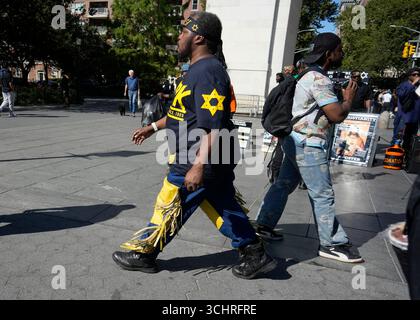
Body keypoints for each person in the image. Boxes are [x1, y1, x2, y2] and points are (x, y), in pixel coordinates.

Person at [112, 12, 277, 279]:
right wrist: (151, 127)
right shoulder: (195, 71)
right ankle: (254, 253)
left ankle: (144, 253)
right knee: (223, 205)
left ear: (199, 37)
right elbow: (180, 114)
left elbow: (212, 124)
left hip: (198, 155)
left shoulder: (209, 71)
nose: (179, 37)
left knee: (170, 201)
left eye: (183, 31)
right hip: (207, 156)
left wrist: (198, 166)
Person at [253, 33, 364, 263]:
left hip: (294, 140)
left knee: (283, 184)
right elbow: (337, 114)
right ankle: (331, 243)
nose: (341, 53)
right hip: (309, 143)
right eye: (339, 49)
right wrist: (349, 98)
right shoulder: (319, 79)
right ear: (328, 54)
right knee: (322, 193)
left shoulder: (304, 74)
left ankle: (263, 224)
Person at [392, 68, 420, 153]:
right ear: (409, 76)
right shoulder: (404, 85)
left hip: (415, 118)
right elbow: (401, 94)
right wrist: (413, 84)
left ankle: (406, 158)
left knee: (410, 140)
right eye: (414, 74)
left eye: (418, 75)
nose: (417, 76)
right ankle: (393, 157)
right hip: (403, 116)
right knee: (398, 137)